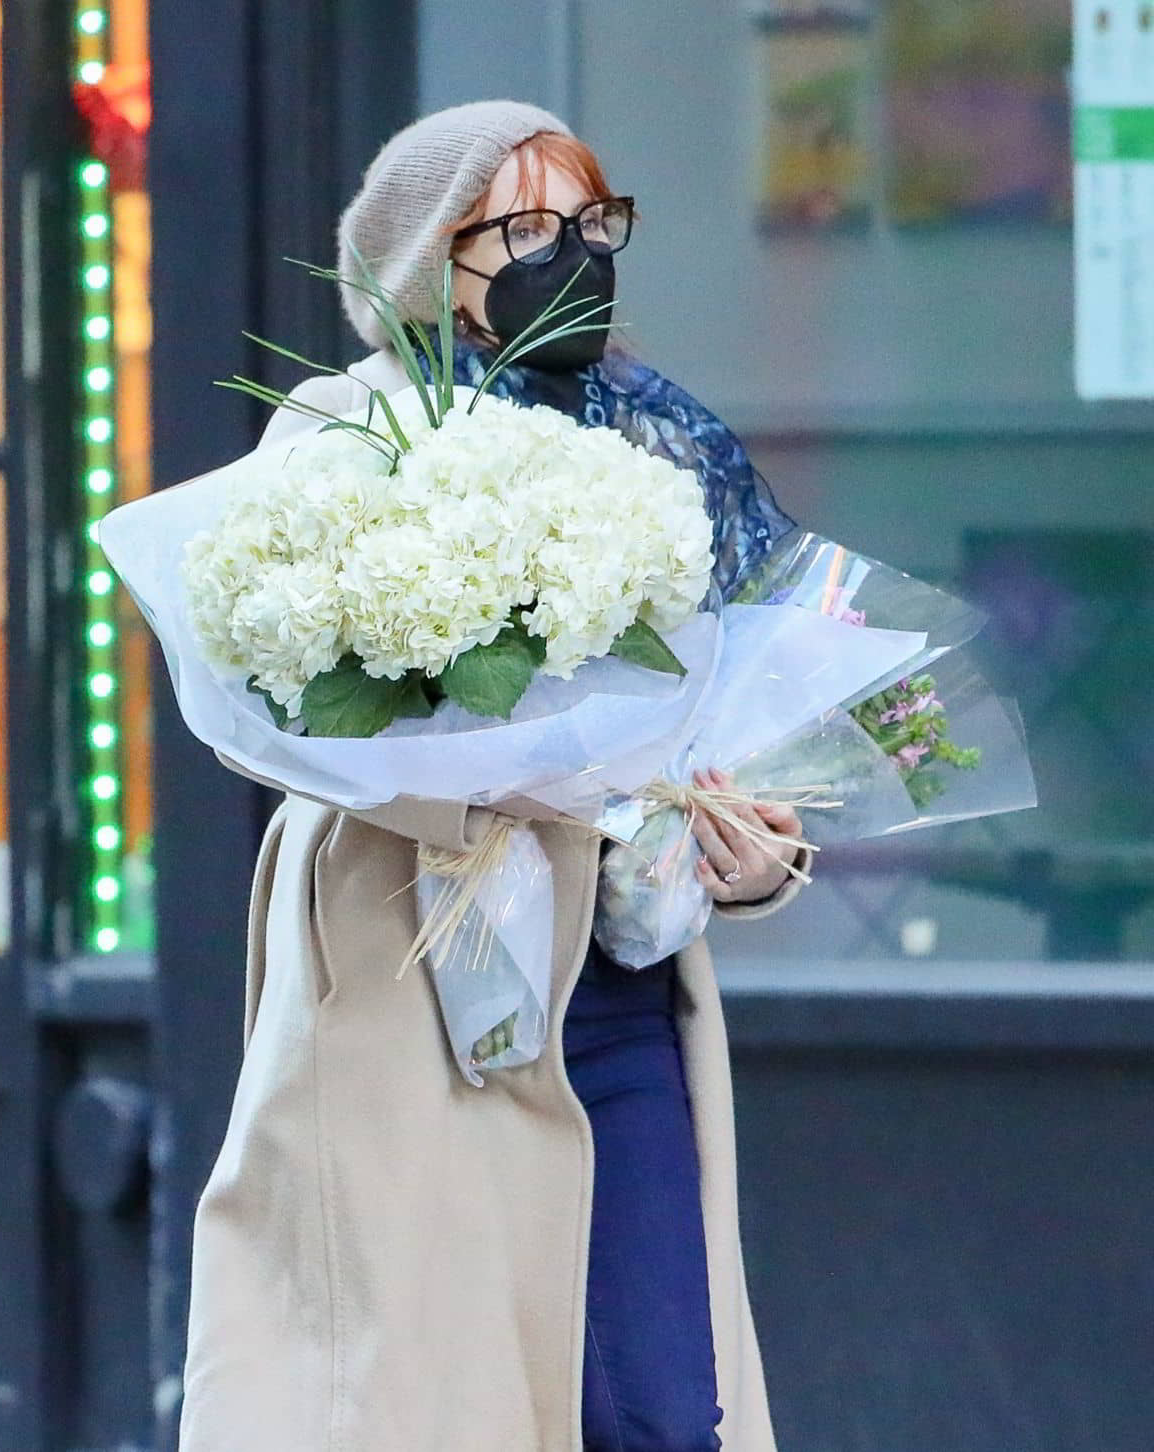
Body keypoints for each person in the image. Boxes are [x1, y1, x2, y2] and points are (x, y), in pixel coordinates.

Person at [180, 100, 809, 1452]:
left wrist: (757, 851)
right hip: (410, 978)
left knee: (659, 1406)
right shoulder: (344, 429)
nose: (570, 255)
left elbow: (733, 720)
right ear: (430, 255)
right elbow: (267, 693)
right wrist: (488, 779)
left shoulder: (656, 437)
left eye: (591, 223)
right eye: (525, 226)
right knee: (427, 1400)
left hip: (618, 983)